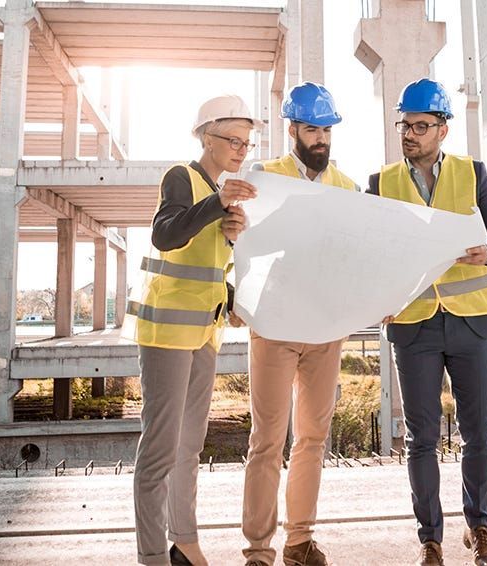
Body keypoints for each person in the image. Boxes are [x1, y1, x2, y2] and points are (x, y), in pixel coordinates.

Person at [367, 78, 487, 566]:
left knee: (480, 433)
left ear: (443, 129)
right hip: (414, 326)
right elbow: (369, 252)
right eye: (404, 125)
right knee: (422, 438)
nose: (409, 134)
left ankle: (479, 530)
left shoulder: (472, 174)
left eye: (420, 125)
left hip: (471, 322)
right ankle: (430, 540)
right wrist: (377, 297)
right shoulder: (382, 183)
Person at [123, 94, 260, 566]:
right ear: (207, 137)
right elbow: (165, 234)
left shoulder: (220, 192)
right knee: (160, 448)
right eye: (232, 140)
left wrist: (228, 236)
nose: (241, 149)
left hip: (204, 333)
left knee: (189, 446)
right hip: (166, 334)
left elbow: (207, 267)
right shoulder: (181, 176)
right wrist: (216, 206)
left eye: (247, 142)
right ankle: (151, 555)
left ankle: (184, 540)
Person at [240, 82, 359, 566]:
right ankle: (258, 549)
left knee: (311, 439)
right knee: (266, 439)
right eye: (312, 128)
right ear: (293, 129)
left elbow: (357, 256)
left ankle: (299, 541)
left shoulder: (348, 188)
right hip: (274, 324)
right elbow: (241, 242)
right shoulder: (264, 177)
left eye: (327, 130)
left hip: (326, 328)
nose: (321, 139)